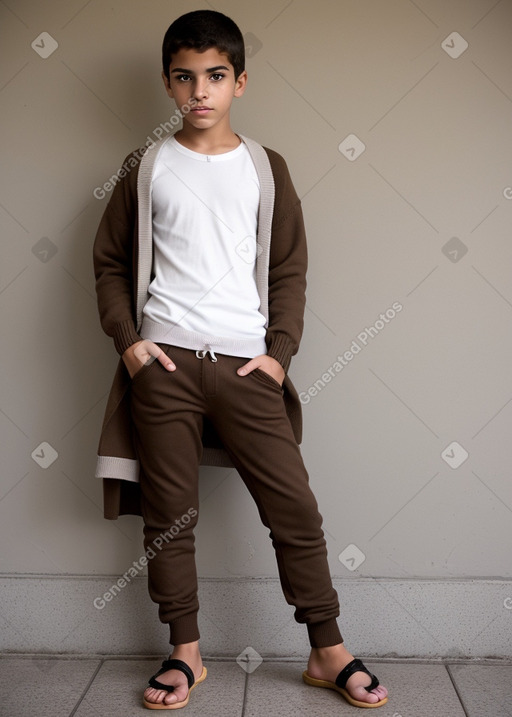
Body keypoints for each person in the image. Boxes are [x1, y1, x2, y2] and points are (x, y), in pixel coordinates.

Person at [93, 9, 388, 710]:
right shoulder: (146, 167)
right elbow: (108, 263)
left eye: (216, 76)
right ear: (168, 85)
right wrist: (130, 344)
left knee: (295, 508)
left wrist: (279, 356)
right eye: (186, 77)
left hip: (246, 367)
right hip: (161, 365)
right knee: (169, 513)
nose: (201, 90)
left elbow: (288, 270)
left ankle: (327, 649)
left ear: (240, 82)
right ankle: (185, 653)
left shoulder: (265, 167)